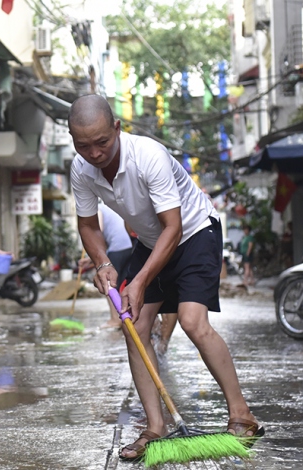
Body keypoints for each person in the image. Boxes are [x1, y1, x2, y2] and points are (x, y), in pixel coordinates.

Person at [67, 94, 261, 461]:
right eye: (83, 146)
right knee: (134, 325)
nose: (93, 153)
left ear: (117, 129)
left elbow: (173, 227)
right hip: (152, 240)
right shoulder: (81, 170)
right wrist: (102, 263)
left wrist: (138, 281)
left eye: (102, 143)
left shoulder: (148, 156)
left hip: (193, 233)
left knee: (191, 320)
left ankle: (242, 415)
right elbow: (88, 224)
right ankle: (155, 427)